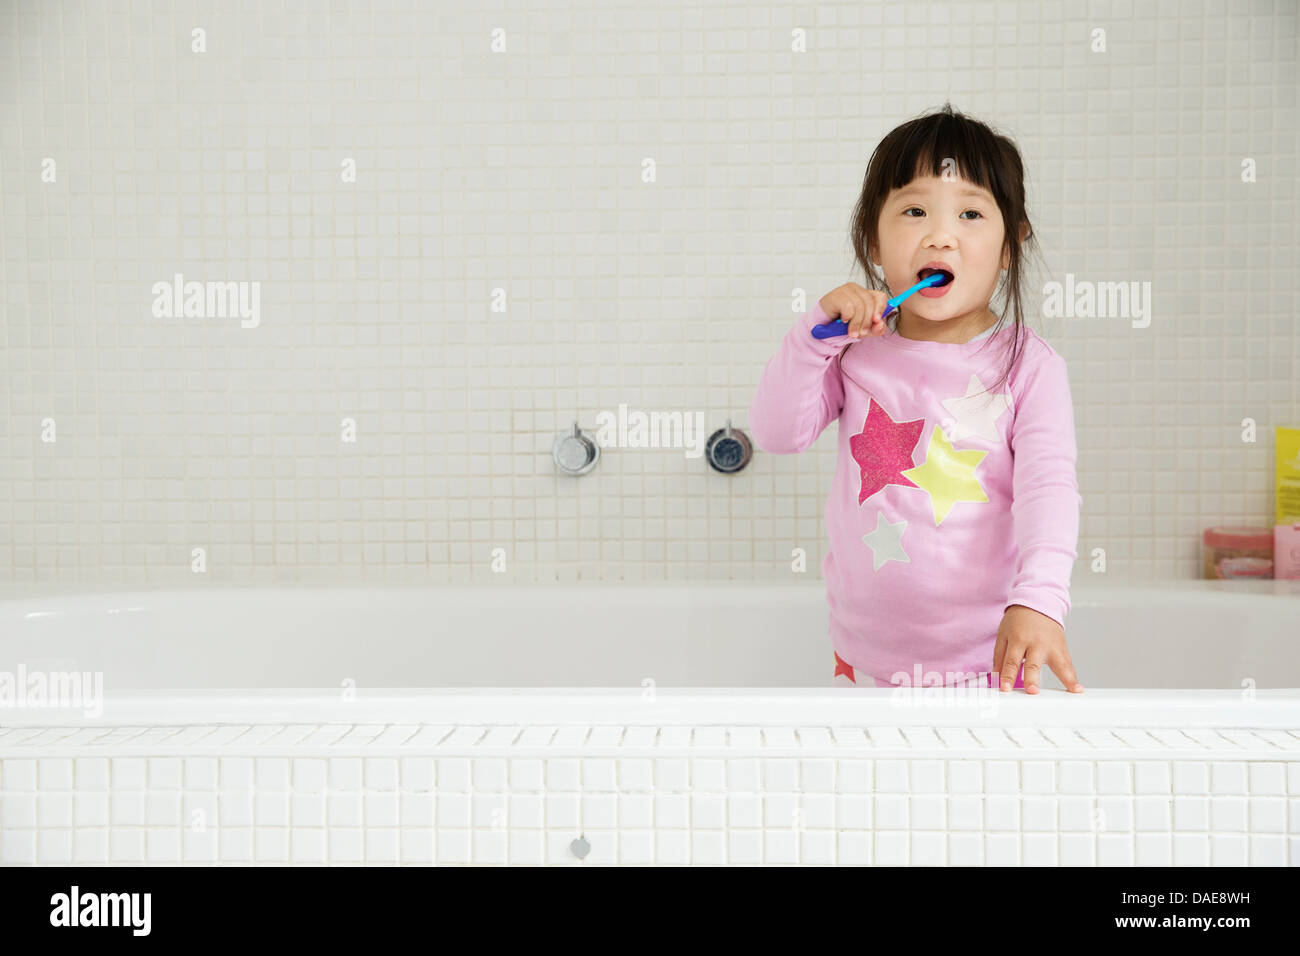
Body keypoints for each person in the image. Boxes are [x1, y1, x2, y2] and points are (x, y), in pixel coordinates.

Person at [749, 103, 1084, 694]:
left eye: (972, 214)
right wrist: (814, 338)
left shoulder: (1030, 367)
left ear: (1011, 245)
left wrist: (1039, 600)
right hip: (861, 661)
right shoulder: (854, 352)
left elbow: (1049, 491)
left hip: (989, 663)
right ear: (873, 240)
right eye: (913, 210)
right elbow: (778, 433)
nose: (940, 234)